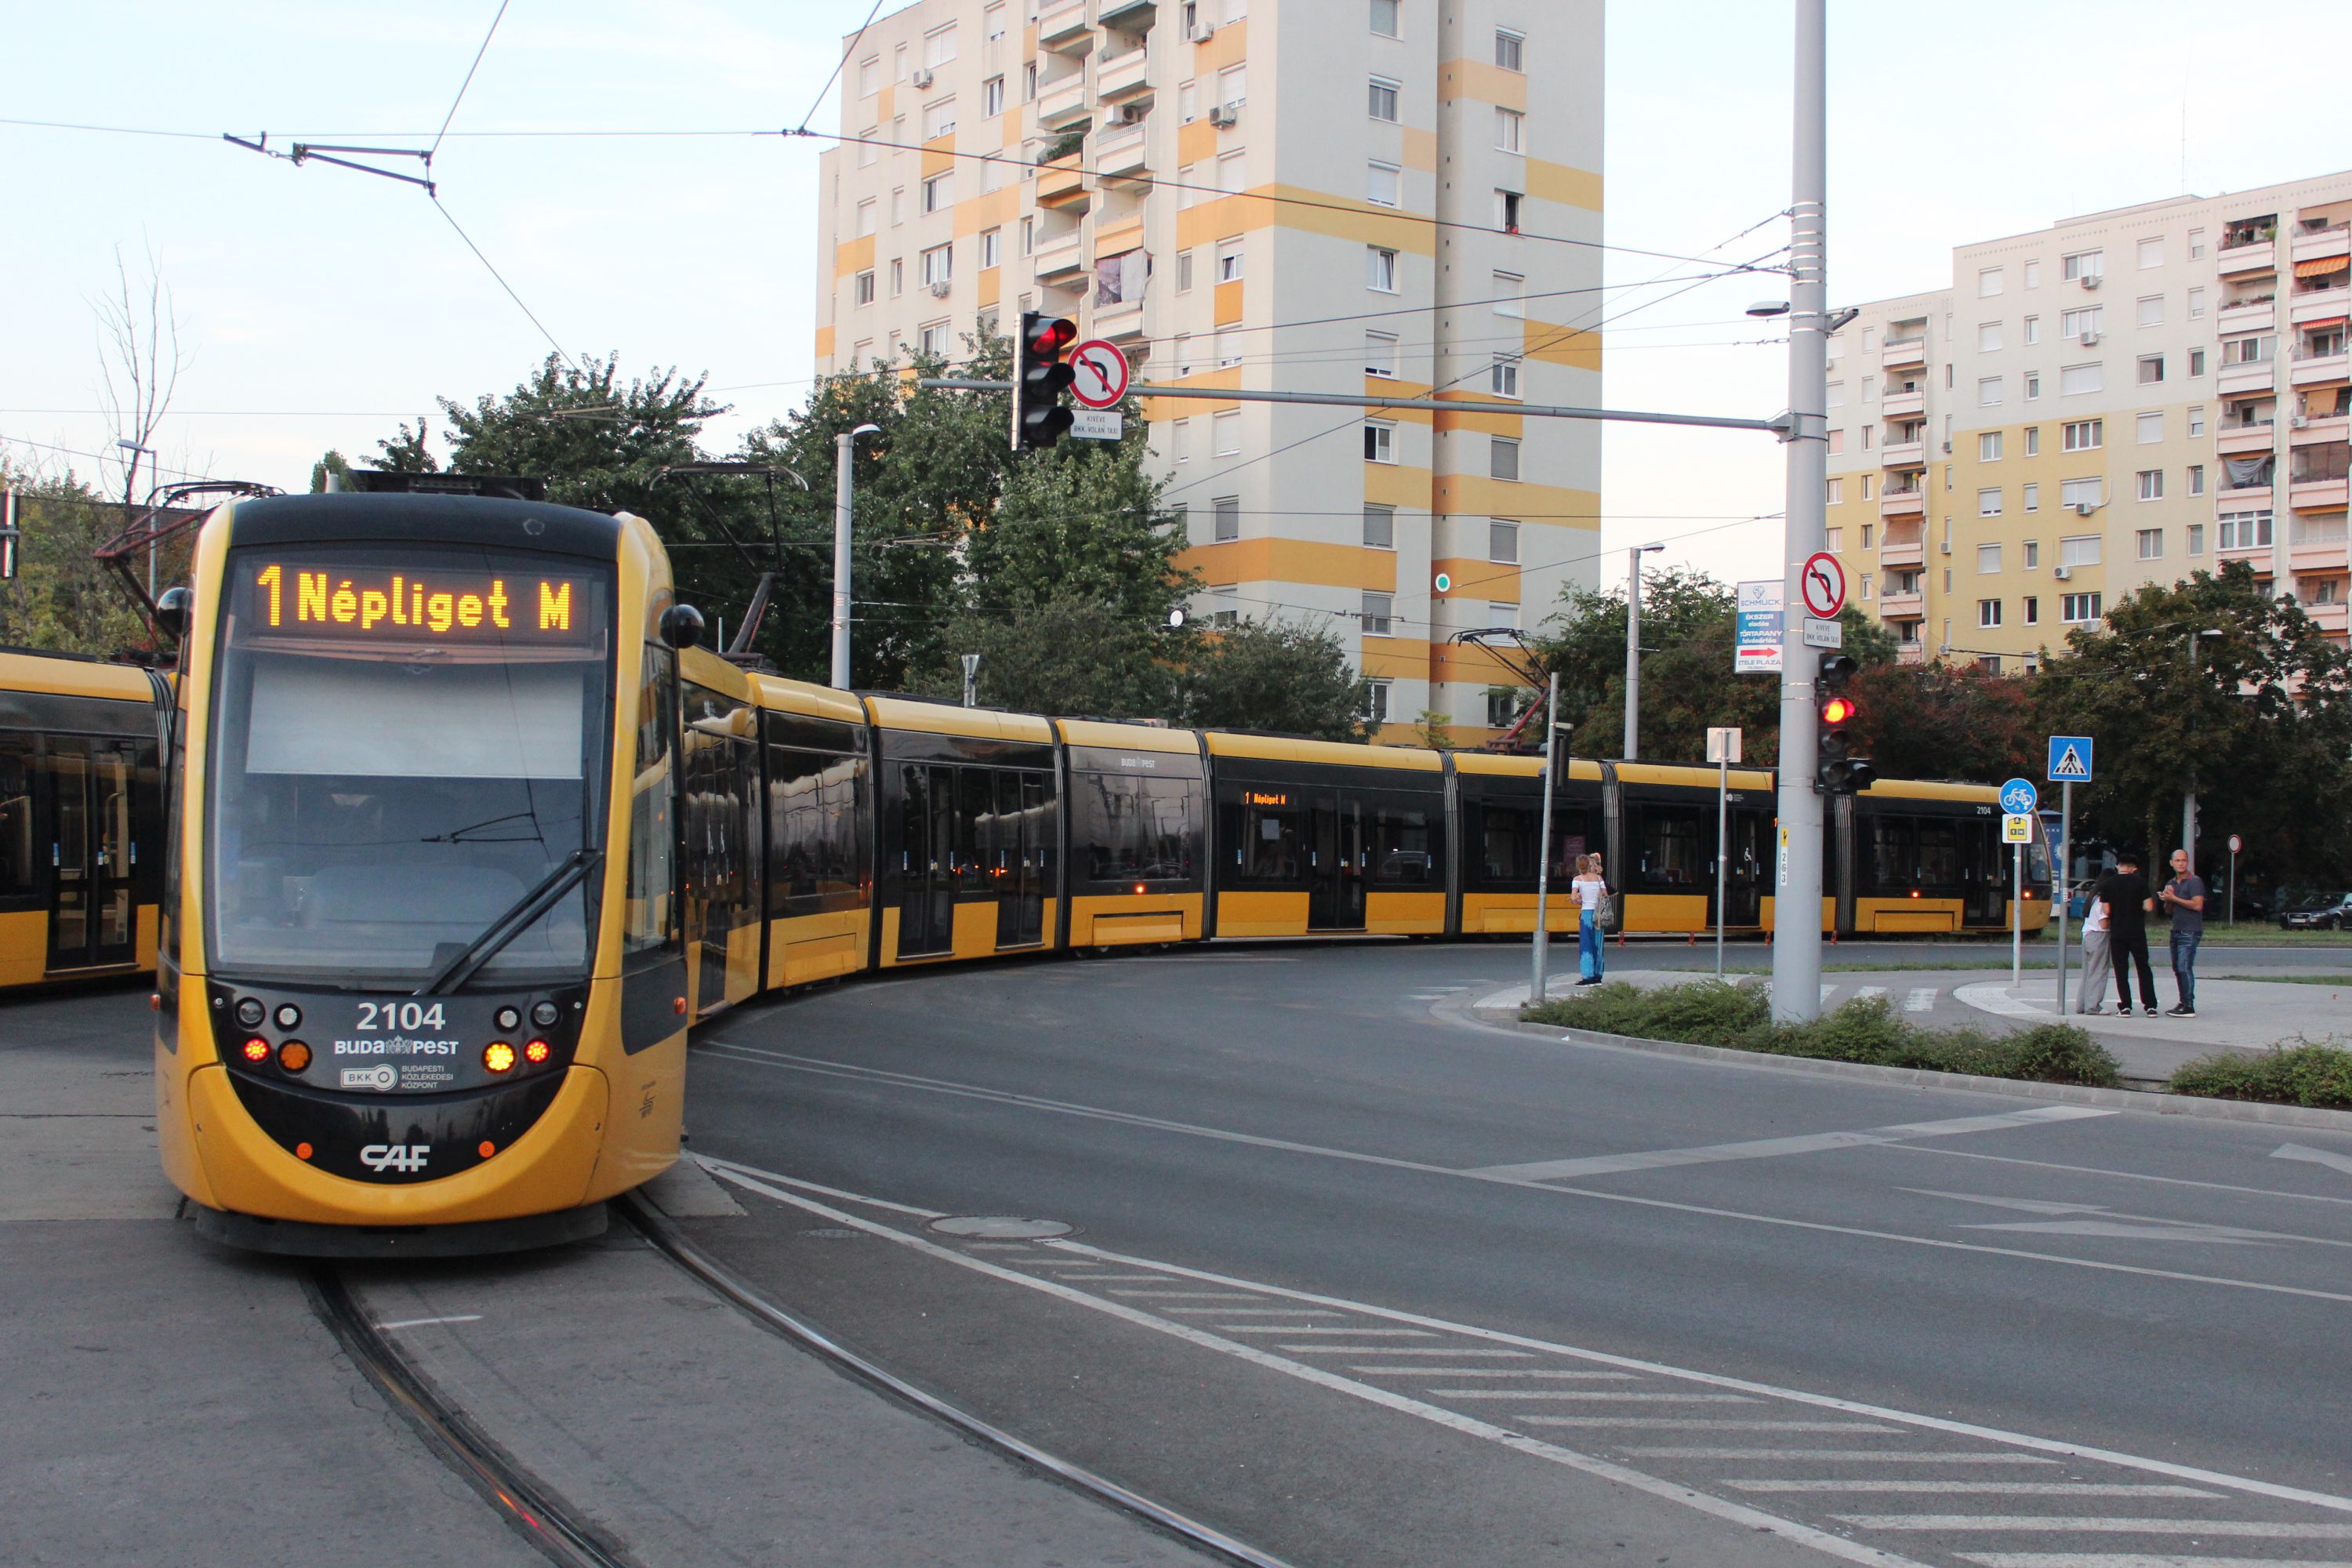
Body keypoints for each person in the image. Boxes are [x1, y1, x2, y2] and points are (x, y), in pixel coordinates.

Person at [2096, 852, 2159, 1017]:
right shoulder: (2140, 883)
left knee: (2121, 969)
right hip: (2137, 932)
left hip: (2118, 933)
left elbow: (2106, 910)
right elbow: (2149, 907)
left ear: (2117, 866)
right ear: (2134, 868)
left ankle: (2125, 1006)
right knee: (2143, 967)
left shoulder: (2108, 884)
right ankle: (2150, 1006)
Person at [2158, 848, 2206, 1017]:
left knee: (2184, 966)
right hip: (2176, 928)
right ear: (2171, 863)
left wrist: (2174, 899)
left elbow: (2197, 905)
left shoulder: (2194, 881)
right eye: (2177, 860)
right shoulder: (2171, 883)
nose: (2181, 863)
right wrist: (2167, 900)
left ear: (2188, 863)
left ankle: (2188, 1005)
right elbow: (2169, 911)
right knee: (2177, 968)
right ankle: (2183, 1001)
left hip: (2190, 930)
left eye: (2184, 861)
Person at [1572, 852, 1610, 985]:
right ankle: (1598, 976)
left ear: (1578, 866)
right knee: (1598, 944)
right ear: (1589, 865)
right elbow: (1605, 895)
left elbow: (1573, 898)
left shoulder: (1577, 879)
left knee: (1586, 945)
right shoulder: (1599, 879)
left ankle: (1588, 976)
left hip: (1587, 915)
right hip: (1599, 915)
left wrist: (1578, 901)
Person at [2076, 887, 2113, 1014]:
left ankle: (2082, 1004)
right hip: (2099, 936)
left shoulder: (2093, 899)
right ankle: (2093, 1006)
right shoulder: (2103, 900)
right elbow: (2103, 924)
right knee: (2098, 972)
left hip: (2087, 935)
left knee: (2087, 973)